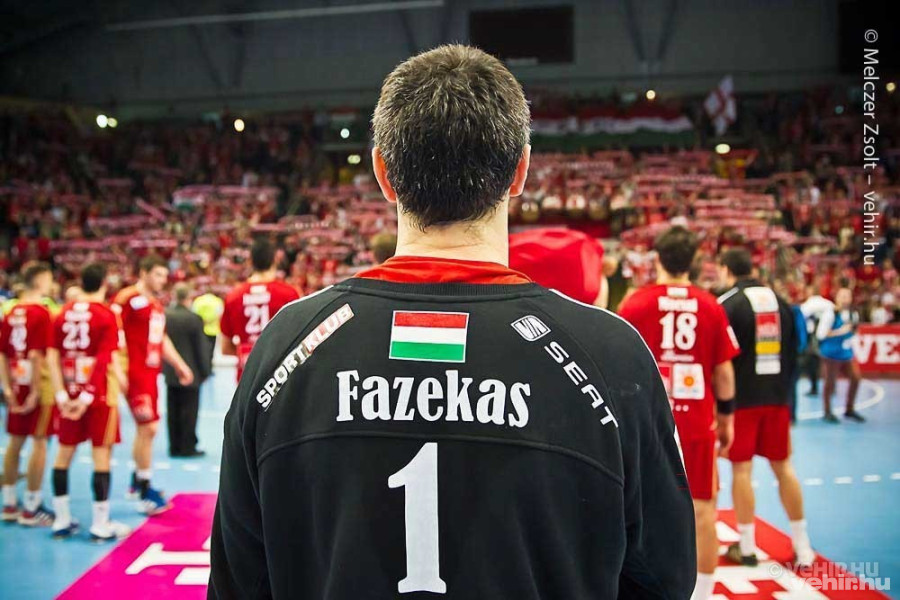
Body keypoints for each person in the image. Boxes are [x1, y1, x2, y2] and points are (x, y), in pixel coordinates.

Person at [209, 45, 695, 600]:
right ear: (521, 171)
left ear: (383, 173)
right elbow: (664, 579)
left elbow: (237, 581)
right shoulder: (611, 356)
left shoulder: (286, 346)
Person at [619, 226, 739, 600]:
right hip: (696, 423)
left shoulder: (635, 304)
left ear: (657, 259)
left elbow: (617, 365)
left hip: (646, 425)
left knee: (635, 508)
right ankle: (702, 594)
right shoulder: (710, 306)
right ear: (695, 262)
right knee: (703, 510)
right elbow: (724, 373)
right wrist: (727, 418)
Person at [717, 248, 815, 568]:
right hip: (777, 398)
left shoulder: (727, 303)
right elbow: (797, 349)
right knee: (784, 467)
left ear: (726, 269)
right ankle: (803, 546)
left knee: (741, 470)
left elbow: (721, 358)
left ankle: (746, 547)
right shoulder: (781, 302)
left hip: (742, 400)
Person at [47, 263, 131, 541]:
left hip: (68, 394)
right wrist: (86, 397)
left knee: (63, 455)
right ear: (104, 282)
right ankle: (100, 524)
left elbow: (52, 357)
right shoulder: (106, 315)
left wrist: (62, 395)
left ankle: (61, 520)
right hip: (99, 398)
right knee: (101, 455)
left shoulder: (62, 313)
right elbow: (104, 359)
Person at [113, 255, 194, 515]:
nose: (162, 280)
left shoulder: (156, 304)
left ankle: (138, 480)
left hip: (150, 374)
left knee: (145, 430)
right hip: (134, 373)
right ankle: (145, 490)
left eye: (164, 276)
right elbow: (111, 333)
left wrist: (179, 364)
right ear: (144, 272)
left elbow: (161, 339)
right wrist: (118, 371)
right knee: (148, 428)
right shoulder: (127, 299)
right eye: (157, 275)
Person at [0, 262, 56, 526]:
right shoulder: (41, 313)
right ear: (41, 279)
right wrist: (36, 389)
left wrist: (6, 387)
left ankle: (9, 503)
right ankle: (32, 507)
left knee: (15, 442)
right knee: (40, 442)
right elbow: (36, 355)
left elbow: (2, 354)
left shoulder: (11, 312)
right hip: (38, 385)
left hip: (15, 382)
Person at [220, 238, 299, 382]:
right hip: (280, 377)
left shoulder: (233, 296)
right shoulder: (289, 293)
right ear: (275, 260)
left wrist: (250, 354)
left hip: (247, 377)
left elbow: (225, 348)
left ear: (250, 261)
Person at [164, 283, 211, 457]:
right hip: (191, 371)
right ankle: (187, 446)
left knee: (172, 409)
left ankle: (174, 445)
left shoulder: (166, 315)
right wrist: (205, 371)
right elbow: (200, 347)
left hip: (171, 371)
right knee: (189, 411)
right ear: (188, 298)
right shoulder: (194, 319)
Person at [818, 286, 864, 423]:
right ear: (837, 298)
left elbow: (853, 332)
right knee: (830, 383)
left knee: (856, 378)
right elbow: (820, 334)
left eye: (847, 296)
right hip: (831, 354)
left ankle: (849, 409)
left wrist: (852, 336)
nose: (845, 299)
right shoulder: (830, 313)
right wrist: (840, 331)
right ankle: (827, 412)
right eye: (842, 296)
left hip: (846, 353)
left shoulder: (853, 314)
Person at [192, 290, 224, 363]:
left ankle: (203, 364)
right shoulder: (217, 301)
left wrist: (203, 321)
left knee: (201, 349)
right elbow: (220, 314)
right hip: (213, 330)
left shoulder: (198, 300)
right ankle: (209, 364)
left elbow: (194, 313)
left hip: (200, 329)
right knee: (211, 350)